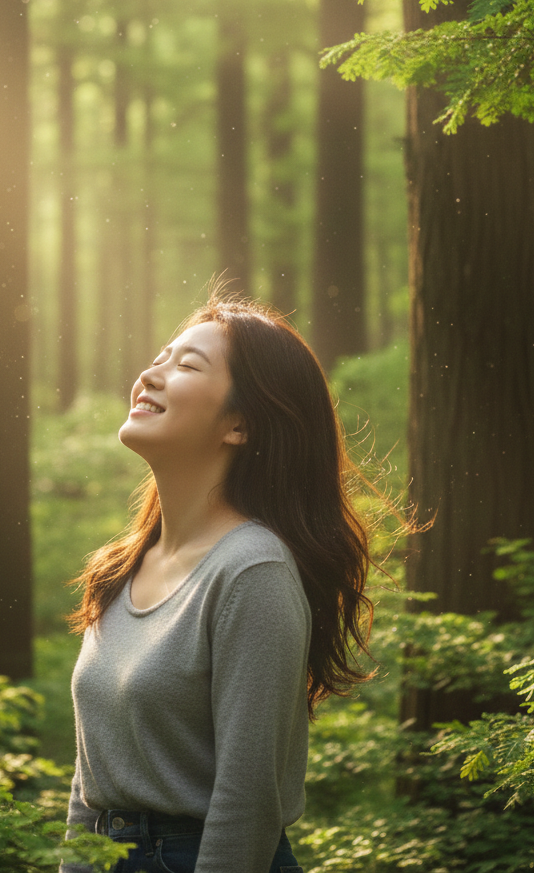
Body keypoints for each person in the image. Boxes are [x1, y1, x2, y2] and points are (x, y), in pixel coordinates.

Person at [61, 291, 374, 873]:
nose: (150, 373)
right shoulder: (119, 567)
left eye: (186, 365)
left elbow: (248, 804)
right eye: (160, 355)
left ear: (240, 425)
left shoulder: (252, 570)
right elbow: (91, 783)